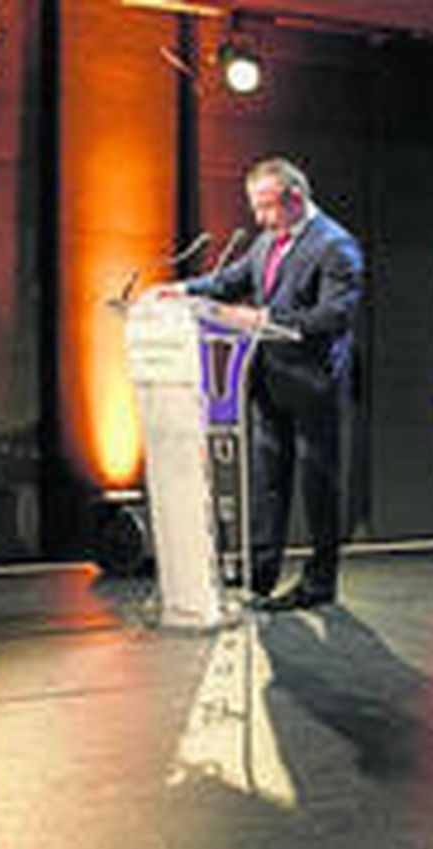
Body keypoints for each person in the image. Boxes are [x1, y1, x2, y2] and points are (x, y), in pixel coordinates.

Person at [166, 157, 364, 610]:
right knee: (267, 482)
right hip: (270, 382)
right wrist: (181, 290)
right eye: (255, 207)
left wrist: (264, 318)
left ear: (295, 198)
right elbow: (229, 281)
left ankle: (319, 583)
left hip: (314, 384)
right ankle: (258, 577)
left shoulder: (336, 246)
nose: (259, 218)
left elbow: (334, 316)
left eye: (266, 207)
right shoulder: (265, 243)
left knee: (317, 485)